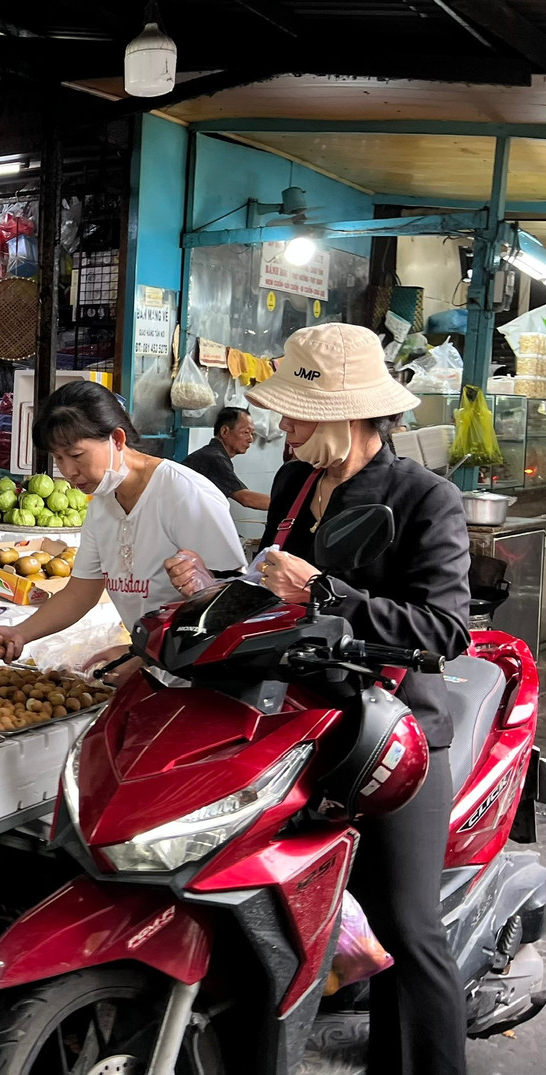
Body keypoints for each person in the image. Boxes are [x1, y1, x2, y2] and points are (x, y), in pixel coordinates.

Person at [165, 322, 470, 1075]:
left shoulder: (426, 497)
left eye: (297, 412)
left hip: (391, 733)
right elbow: (274, 587)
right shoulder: (296, 485)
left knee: (406, 924)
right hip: (298, 720)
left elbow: (445, 628)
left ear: (348, 412)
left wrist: (329, 591)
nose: (281, 425)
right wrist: (210, 593)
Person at [0, 381, 245, 679]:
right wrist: (21, 633)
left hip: (202, 677)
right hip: (151, 672)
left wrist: (149, 655)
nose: (68, 472)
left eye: (76, 455)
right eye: (58, 458)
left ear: (117, 439)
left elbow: (233, 604)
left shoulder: (184, 493)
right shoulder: (102, 505)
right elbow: (82, 591)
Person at [181, 406, 271, 511]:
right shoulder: (214, 458)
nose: (250, 439)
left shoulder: (213, 453)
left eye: (252, 434)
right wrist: (290, 505)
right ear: (224, 431)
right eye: (245, 432)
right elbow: (246, 498)